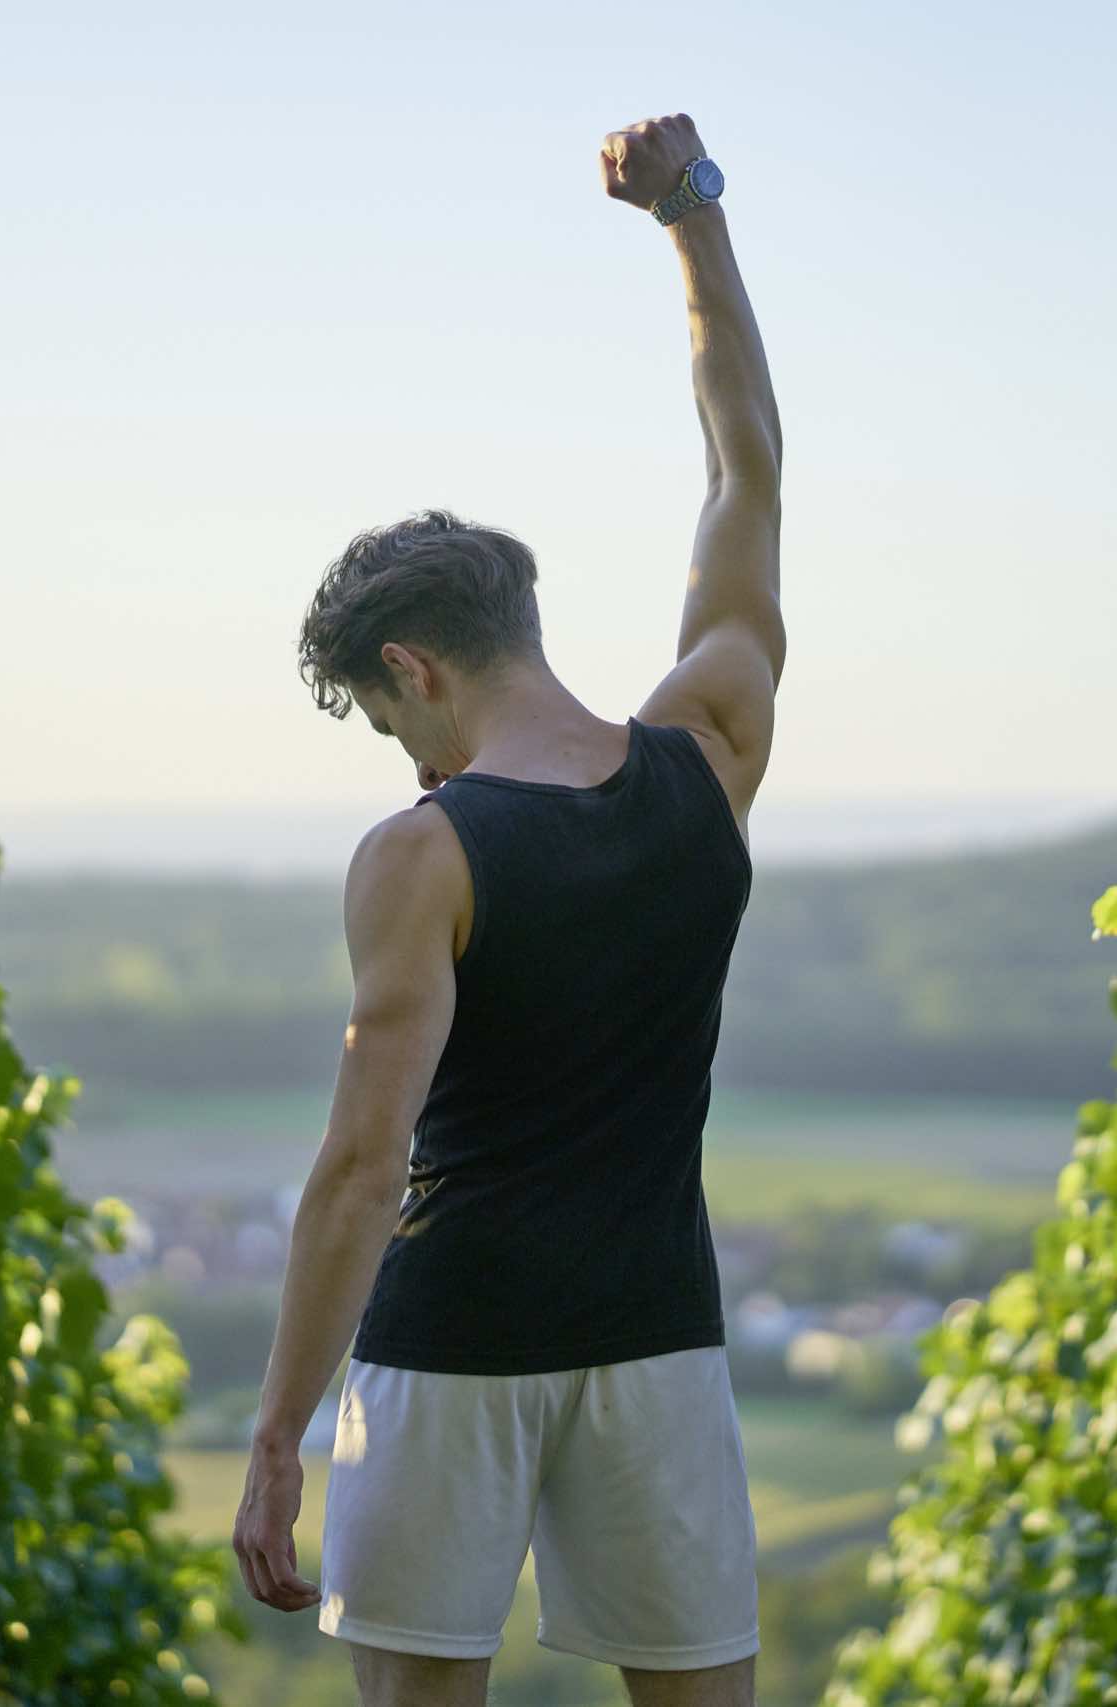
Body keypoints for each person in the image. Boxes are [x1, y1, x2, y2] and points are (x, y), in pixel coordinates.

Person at [231, 111, 783, 1707]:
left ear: (410, 668)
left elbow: (361, 1165)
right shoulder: (714, 745)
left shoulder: (424, 857)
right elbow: (746, 460)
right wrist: (690, 215)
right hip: (659, 1340)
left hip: (449, 1351)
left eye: (386, 718)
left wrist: (278, 1443)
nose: (404, 758)